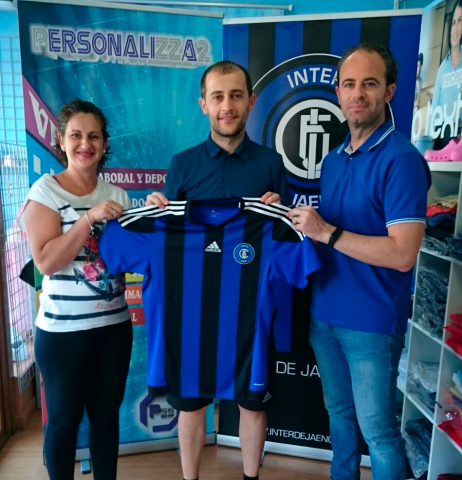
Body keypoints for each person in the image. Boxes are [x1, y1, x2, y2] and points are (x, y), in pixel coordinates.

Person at [288, 44, 431, 480]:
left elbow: (403, 254)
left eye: (369, 84)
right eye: (349, 84)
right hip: (324, 314)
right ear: (337, 92)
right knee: (339, 417)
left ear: (389, 91)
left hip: (370, 323)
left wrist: (326, 232)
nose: (358, 94)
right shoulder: (333, 159)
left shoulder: (402, 160)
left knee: (379, 434)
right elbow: (327, 236)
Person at [146, 60, 291, 480]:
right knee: (190, 407)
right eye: (218, 97)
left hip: (248, 312)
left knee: (251, 405)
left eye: (236, 95)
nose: (227, 105)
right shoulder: (183, 164)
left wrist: (280, 211)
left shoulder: (270, 164)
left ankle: (250, 477)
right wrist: (157, 211)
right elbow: (168, 236)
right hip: (191, 314)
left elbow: (285, 237)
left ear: (251, 101)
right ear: (204, 104)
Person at [21, 99, 133, 480]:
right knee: (63, 422)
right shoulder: (45, 191)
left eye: (94, 137)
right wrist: (88, 219)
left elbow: (127, 259)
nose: (85, 144)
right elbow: (46, 262)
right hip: (63, 334)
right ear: (61, 140)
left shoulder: (119, 195)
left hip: (114, 328)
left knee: (106, 418)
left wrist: (151, 219)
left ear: (104, 144)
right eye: (76, 136)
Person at [432, 0, 462, 119]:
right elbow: (434, 109)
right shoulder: (442, 69)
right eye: (453, 22)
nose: (456, 29)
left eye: (460, 20)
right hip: (443, 128)